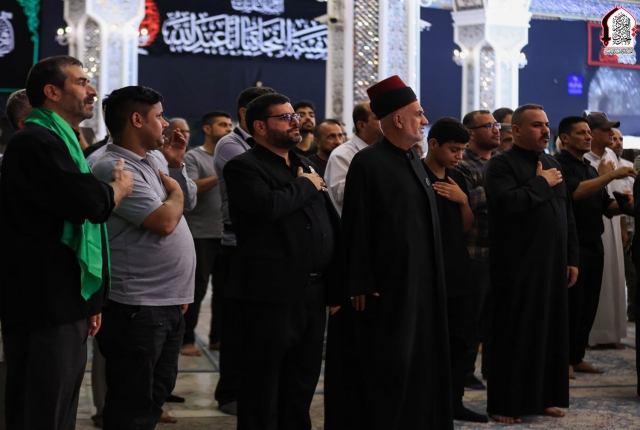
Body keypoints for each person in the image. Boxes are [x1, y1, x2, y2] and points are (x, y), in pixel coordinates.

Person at [0, 55, 133, 430]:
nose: (92, 91)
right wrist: (118, 189)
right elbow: (86, 202)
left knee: (60, 406)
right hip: (42, 303)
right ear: (52, 91)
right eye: (81, 82)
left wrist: (90, 300)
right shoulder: (35, 141)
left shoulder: (60, 141)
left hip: (65, 299)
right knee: (41, 406)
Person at [223, 93, 344, 430]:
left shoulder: (305, 164)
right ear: (260, 126)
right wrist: (305, 185)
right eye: (285, 118)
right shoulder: (244, 166)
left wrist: (336, 284)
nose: (296, 122)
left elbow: (328, 224)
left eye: (295, 116)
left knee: (302, 379)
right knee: (263, 383)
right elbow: (268, 207)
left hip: (313, 291)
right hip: (270, 293)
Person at [338, 75, 452, 429]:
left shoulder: (413, 160)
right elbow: (356, 225)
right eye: (418, 114)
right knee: (392, 360)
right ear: (399, 119)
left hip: (423, 281)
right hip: (389, 284)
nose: (424, 120)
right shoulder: (368, 163)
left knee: (422, 357)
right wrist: (359, 279)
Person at [91, 85, 197, 429]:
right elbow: (164, 222)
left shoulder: (151, 159)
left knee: (155, 393)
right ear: (137, 120)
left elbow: (188, 206)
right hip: (139, 305)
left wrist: (176, 166)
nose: (165, 124)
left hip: (165, 300)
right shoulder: (115, 167)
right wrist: (175, 193)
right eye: (159, 116)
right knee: (131, 403)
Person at [484, 104, 579, 424]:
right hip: (517, 265)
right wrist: (541, 183)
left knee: (550, 333)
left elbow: (566, 214)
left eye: (547, 124)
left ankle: (543, 398)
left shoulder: (551, 163)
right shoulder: (501, 164)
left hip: (553, 263)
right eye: (537, 125)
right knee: (515, 334)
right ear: (516, 130)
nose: (545, 130)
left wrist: (571, 258)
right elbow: (507, 203)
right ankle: (504, 403)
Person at [556, 115, 635, 381]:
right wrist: (611, 175)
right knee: (571, 305)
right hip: (572, 245)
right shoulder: (559, 165)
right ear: (565, 138)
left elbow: (606, 207)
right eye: (581, 133)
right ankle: (563, 360)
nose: (588, 137)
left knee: (588, 303)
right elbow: (575, 193)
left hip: (593, 243)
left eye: (589, 132)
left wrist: (627, 206)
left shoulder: (590, 169)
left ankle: (577, 357)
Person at [212, 85, 275, 415]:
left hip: (265, 247)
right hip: (236, 245)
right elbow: (263, 185)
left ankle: (253, 390)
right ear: (245, 114)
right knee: (235, 326)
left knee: (259, 327)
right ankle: (230, 393)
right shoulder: (230, 144)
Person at [422, 117, 487, 423]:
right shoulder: (417, 174)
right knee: (429, 340)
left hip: (458, 266)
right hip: (427, 269)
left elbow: (465, 226)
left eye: (462, 150)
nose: (458, 156)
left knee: (461, 338)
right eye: (453, 149)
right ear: (433, 144)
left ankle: (454, 401)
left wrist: (463, 201)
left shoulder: (457, 177)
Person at [181, 110, 232, 356]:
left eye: (230, 125)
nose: (229, 129)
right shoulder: (193, 157)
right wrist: (220, 174)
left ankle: (218, 338)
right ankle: (187, 340)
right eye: (223, 125)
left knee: (224, 290)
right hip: (200, 234)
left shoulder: (231, 157)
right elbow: (191, 188)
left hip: (225, 234)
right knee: (197, 289)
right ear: (207, 129)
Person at [457, 109, 501, 388]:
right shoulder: (461, 163)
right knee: (469, 320)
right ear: (470, 133)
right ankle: (463, 373)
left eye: (496, 124)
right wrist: (496, 190)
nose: (496, 129)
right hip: (473, 253)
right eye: (488, 126)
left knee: (495, 320)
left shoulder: (499, 162)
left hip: (500, 253)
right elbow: (460, 201)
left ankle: (493, 371)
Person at [583, 112, 630, 349]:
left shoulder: (610, 155)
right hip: (592, 225)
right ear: (591, 134)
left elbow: (615, 191)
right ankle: (591, 336)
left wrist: (622, 225)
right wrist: (604, 175)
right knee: (597, 281)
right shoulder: (584, 159)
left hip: (612, 220)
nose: (611, 134)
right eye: (605, 130)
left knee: (614, 277)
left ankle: (611, 334)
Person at [324, 101, 382, 215]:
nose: (385, 121)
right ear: (362, 125)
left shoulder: (385, 152)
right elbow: (340, 196)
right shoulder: (341, 155)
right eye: (378, 118)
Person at [612, 129, 638, 322]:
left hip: (632, 226)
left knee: (632, 276)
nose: (618, 142)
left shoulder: (630, 166)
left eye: (620, 138)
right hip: (614, 226)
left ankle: (632, 313)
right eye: (613, 138)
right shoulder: (602, 165)